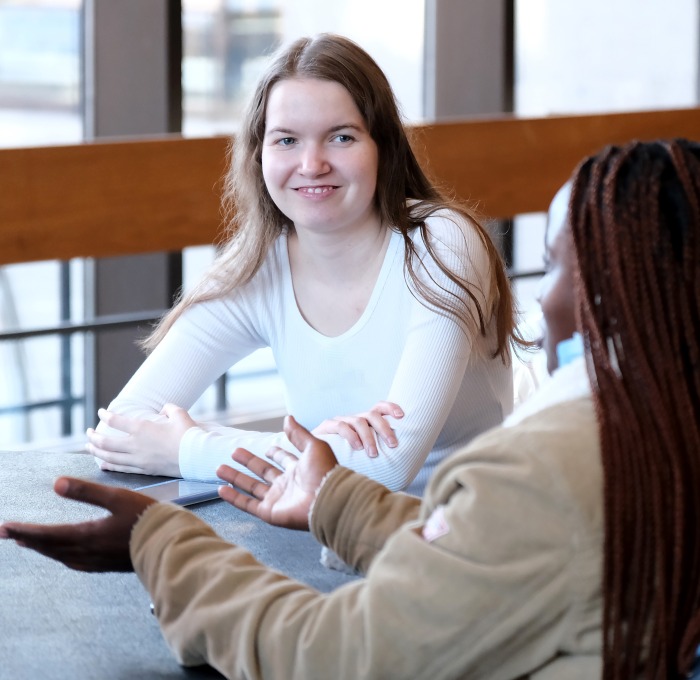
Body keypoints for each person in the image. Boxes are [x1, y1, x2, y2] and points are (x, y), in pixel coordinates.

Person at [5, 137, 699, 678]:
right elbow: (513, 549)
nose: (311, 163)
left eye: (551, 267)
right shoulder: (662, 427)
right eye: (285, 140)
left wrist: (162, 540)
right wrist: (339, 496)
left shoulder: (545, 465)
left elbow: (332, 656)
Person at [84, 33, 519, 497]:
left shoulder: (439, 243)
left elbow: (391, 466)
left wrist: (190, 448)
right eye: (287, 140)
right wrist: (321, 449)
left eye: (341, 137)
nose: (311, 165)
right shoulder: (258, 267)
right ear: (259, 155)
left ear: (383, 148)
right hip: (321, 533)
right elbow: (123, 427)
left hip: (459, 530)